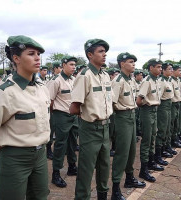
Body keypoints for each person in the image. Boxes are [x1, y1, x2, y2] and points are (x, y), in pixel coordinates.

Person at [0, 35, 51, 200]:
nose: (37, 58)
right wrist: (9, 144)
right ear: (16, 58)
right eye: (31, 54)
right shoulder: (4, 92)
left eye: (38, 54)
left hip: (40, 156)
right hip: (15, 159)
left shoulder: (42, 88)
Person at [70, 39, 113, 200]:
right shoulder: (84, 76)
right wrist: (88, 116)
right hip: (90, 128)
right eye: (100, 51)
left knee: (104, 167)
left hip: (105, 128)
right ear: (90, 54)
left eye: (105, 51)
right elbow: (74, 107)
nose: (104, 54)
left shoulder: (105, 75)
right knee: (86, 171)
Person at [111, 52, 145, 200]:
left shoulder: (131, 80)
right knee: (121, 154)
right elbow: (111, 104)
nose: (133, 64)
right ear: (122, 63)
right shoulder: (118, 81)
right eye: (130, 62)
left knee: (131, 151)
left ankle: (129, 178)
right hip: (121, 118)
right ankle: (115, 188)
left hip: (131, 116)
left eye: (134, 62)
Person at [49, 55, 78, 188]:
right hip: (61, 115)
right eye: (71, 64)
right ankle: (56, 173)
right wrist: (55, 116)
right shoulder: (56, 81)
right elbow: (50, 101)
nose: (74, 67)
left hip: (73, 116)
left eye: (75, 65)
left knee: (73, 142)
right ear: (64, 65)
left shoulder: (73, 79)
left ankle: (72, 166)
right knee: (60, 144)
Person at [136, 59, 163, 182]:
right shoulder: (147, 81)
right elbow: (139, 101)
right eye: (158, 67)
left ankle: (151, 162)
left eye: (161, 67)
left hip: (154, 110)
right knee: (146, 140)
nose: (160, 69)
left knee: (153, 137)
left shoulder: (156, 80)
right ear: (151, 68)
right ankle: (143, 170)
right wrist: (146, 106)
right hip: (147, 111)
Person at [155, 63, 176, 160]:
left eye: (172, 69)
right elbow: (158, 97)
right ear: (163, 70)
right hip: (162, 107)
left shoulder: (168, 80)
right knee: (162, 130)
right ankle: (158, 154)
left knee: (168, 128)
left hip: (168, 105)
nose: (171, 70)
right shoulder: (161, 81)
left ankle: (165, 148)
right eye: (169, 69)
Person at [45, 61, 63, 160]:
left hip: (57, 111)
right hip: (52, 110)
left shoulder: (62, 79)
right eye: (59, 67)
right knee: (50, 131)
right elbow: (49, 98)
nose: (61, 69)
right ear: (55, 69)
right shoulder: (53, 81)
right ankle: (48, 150)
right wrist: (51, 112)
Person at [170, 64, 181, 149]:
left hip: (178, 103)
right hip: (171, 104)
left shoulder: (177, 80)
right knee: (171, 124)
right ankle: (172, 141)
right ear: (173, 71)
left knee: (177, 123)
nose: (180, 72)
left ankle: (175, 138)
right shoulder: (170, 81)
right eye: (178, 70)